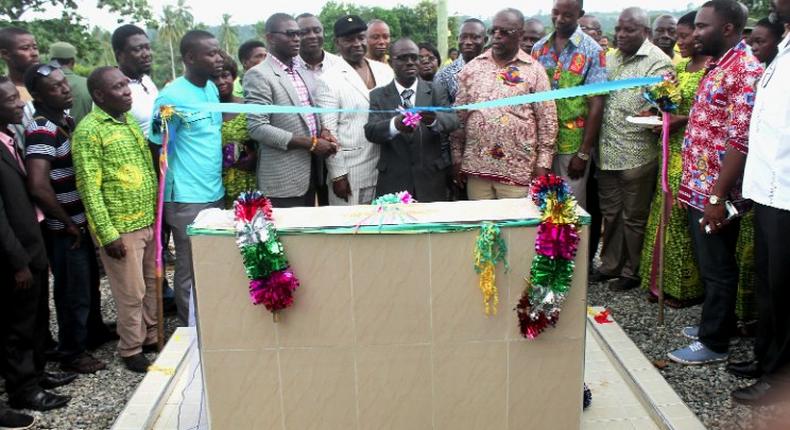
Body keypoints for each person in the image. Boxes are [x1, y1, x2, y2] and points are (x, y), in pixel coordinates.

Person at [667, 0, 763, 365]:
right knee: (710, 263)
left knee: (718, 266)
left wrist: (717, 196)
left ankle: (714, 342)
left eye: (703, 26)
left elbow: (739, 140)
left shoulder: (744, 70)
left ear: (727, 28)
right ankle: (715, 322)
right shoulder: (716, 66)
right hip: (699, 185)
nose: (695, 34)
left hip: (717, 192)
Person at [72, 66, 159, 373]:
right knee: (130, 291)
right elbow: (89, 187)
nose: (127, 91)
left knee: (149, 284)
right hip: (121, 229)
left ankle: (149, 337)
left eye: (126, 84)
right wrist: (108, 234)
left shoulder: (129, 122)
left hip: (146, 220)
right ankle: (131, 348)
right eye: (118, 87)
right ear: (98, 95)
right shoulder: (89, 131)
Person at [24, 63, 108, 374]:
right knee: (73, 291)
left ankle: (94, 332)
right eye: (55, 87)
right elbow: (38, 184)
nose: (65, 89)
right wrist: (68, 223)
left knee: (88, 284)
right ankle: (72, 352)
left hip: (81, 221)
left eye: (64, 83)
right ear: (37, 95)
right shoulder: (42, 129)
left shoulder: (68, 121)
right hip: (65, 227)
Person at [0, 76, 73, 412]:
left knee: (36, 317)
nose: (20, 103)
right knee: (19, 324)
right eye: (12, 99)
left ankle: (38, 372)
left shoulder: (9, 139)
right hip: (16, 255)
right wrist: (17, 263)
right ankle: (23, 389)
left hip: (33, 243)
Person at [733, 0, 790, 405]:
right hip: (769, 189)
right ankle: (766, 358)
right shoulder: (784, 46)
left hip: (788, 191)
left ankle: (781, 379)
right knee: (769, 284)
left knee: (786, 289)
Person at [148, 30, 225, 326]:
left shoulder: (210, 89)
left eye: (218, 52)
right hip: (186, 198)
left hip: (214, 191)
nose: (218, 59)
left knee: (211, 262)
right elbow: (158, 144)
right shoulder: (171, 96)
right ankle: (190, 328)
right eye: (211, 54)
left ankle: (211, 320)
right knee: (189, 266)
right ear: (190, 58)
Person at [593, 7, 672, 290]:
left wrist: (655, 111)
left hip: (638, 154)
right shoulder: (611, 58)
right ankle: (610, 265)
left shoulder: (658, 62)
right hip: (606, 152)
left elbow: (663, 105)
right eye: (619, 29)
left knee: (634, 217)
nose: (621, 35)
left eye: (629, 30)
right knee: (611, 214)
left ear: (645, 32)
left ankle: (631, 270)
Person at [639, 11, 709, 306]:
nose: (678, 42)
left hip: (694, 155)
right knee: (662, 215)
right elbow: (671, 105)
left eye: (684, 36)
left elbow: (709, 115)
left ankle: (683, 289)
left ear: (701, 35)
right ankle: (657, 282)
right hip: (669, 150)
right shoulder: (681, 70)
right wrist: (655, 113)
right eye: (677, 36)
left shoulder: (710, 69)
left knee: (679, 218)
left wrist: (678, 120)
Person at [450, 8, 558, 200]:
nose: (497, 37)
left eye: (504, 32)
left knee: (513, 229)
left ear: (520, 35)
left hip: (518, 172)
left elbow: (547, 122)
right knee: (483, 226)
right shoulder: (473, 67)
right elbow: (458, 118)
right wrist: (457, 158)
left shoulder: (534, 71)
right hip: (477, 170)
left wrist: (543, 164)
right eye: (494, 31)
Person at [244, 13, 338, 208]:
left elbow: (307, 116)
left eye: (298, 34)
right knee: (288, 236)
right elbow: (258, 127)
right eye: (290, 34)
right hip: (283, 178)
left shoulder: (299, 70)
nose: (297, 39)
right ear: (270, 38)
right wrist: (311, 143)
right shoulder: (259, 74)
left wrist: (323, 132)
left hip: (310, 171)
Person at [532, 0, 607, 209]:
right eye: (555, 13)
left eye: (567, 15)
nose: (559, 19)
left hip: (572, 146)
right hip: (542, 144)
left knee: (570, 209)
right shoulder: (539, 49)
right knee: (542, 205)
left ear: (580, 14)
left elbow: (597, 103)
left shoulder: (592, 50)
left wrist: (583, 153)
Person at [365, 38, 458, 201]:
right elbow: (371, 132)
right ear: (390, 62)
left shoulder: (436, 90)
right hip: (394, 182)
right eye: (402, 58)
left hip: (431, 180)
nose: (410, 63)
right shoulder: (378, 95)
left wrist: (433, 120)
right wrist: (395, 125)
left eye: (414, 58)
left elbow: (453, 120)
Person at [314, 15, 393, 206]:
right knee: (352, 232)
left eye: (361, 37)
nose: (357, 43)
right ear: (337, 43)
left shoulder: (385, 71)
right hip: (352, 172)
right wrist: (337, 175)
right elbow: (329, 132)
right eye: (349, 40)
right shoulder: (328, 80)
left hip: (387, 167)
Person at [296, 12, 344, 207]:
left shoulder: (340, 64)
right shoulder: (289, 67)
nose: (312, 36)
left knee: (332, 201)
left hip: (336, 143)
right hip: (303, 147)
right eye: (304, 32)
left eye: (317, 30)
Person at [212, 52, 257, 208]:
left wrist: (255, 157)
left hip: (248, 181)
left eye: (225, 75)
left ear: (234, 76)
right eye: (214, 78)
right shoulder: (204, 112)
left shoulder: (248, 107)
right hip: (215, 185)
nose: (220, 82)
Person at [112, 25, 158, 138]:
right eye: (138, 49)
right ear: (119, 55)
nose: (146, 54)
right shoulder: (112, 91)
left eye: (147, 47)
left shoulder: (146, 80)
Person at [433, 19, 488, 106]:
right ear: (457, 39)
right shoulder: (444, 75)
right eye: (463, 37)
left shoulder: (498, 71)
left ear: (485, 40)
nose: (468, 42)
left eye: (475, 37)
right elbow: (441, 113)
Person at [0, 27, 39, 132]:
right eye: (25, 48)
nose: (34, 53)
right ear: (5, 54)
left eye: (35, 47)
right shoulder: (3, 92)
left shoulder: (49, 86)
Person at [48, 42, 92, 125]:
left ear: (51, 61)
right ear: (72, 61)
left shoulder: (42, 85)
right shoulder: (88, 83)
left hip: (52, 136)